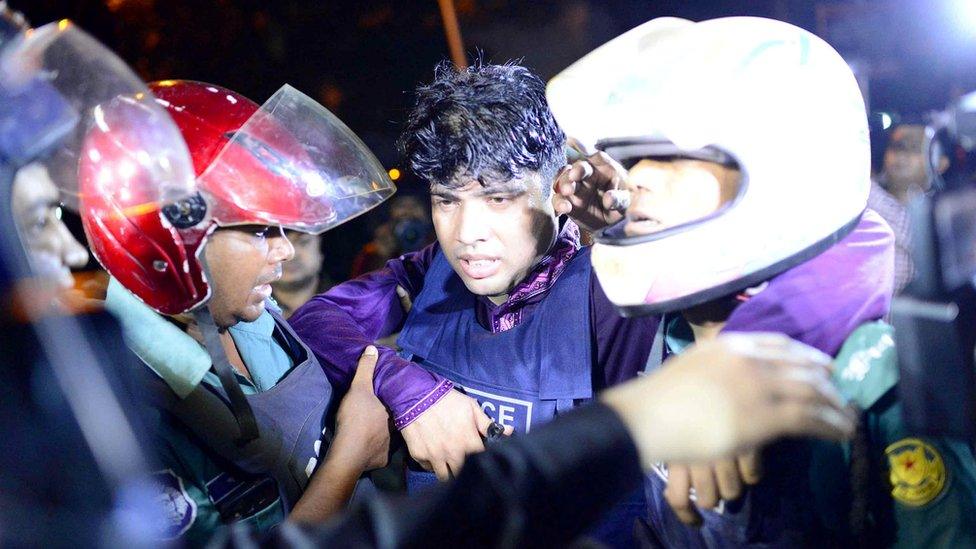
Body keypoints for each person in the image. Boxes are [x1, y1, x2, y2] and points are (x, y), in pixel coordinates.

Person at [547, 15, 976, 547]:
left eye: (668, 154)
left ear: (779, 166)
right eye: (631, 158)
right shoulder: (670, 337)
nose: (636, 179)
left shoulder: (869, 376)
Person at [289, 61, 658, 546]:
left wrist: (629, 241)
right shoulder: (432, 274)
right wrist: (408, 389)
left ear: (560, 192)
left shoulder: (608, 295)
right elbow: (315, 320)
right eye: (447, 201)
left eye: (499, 199)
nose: (467, 234)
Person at [79, 79, 395, 543]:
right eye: (261, 230)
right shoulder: (119, 411)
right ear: (173, 242)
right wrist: (350, 457)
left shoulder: (253, 318)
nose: (286, 250)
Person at [868, 122, 948, 294]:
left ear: (940, 162)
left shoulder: (944, 218)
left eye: (913, 147)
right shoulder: (862, 198)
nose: (900, 154)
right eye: (896, 146)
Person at [271, 230, 332, 318]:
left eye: (303, 242)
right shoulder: (249, 313)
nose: (292, 255)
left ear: (321, 247)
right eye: (279, 246)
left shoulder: (348, 306)